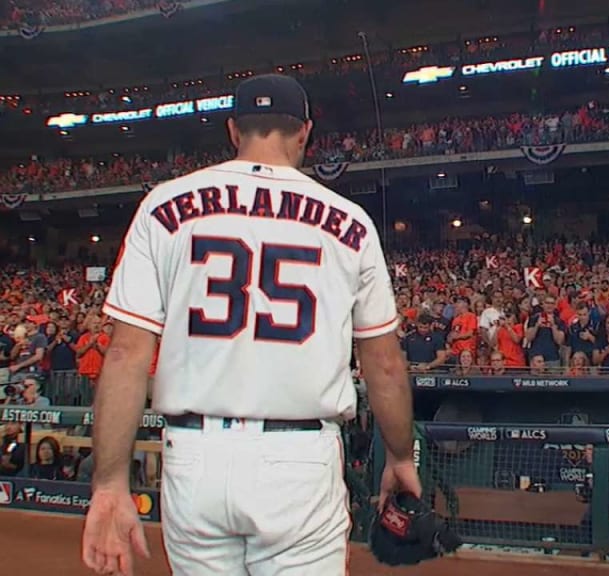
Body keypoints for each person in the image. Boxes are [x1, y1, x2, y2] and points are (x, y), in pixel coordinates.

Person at [81, 74, 422, 576]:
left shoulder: (164, 206)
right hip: (299, 457)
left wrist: (109, 483)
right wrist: (400, 456)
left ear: (233, 129)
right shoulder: (350, 221)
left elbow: (126, 354)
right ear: (305, 132)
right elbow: (385, 365)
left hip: (194, 455)